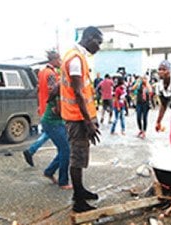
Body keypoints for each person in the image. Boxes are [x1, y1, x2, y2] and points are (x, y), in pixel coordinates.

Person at [60, 26, 103, 213]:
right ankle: (78, 200)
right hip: (77, 119)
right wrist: (88, 122)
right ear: (89, 38)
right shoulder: (76, 59)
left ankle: (81, 190)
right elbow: (77, 92)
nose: (99, 47)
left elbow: (84, 92)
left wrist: (92, 118)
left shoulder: (76, 55)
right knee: (77, 158)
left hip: (80, 117)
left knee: (81, 156)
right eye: (98, 42)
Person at [23, 50, 61, 167]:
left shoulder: (42, 72)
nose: (60, 62)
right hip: (50, 107)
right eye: (59, 59)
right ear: (54, 60)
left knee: (48, 133)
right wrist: (56, 106)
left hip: (43, 105)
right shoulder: (51, 73)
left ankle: (31, 151)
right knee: (54, 133)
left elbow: (39, 89)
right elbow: (52, 90)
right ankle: (31, 150)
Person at [41, 84, 72, 190]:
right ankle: (63, 182)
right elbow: (59, 112)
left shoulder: (59, 93)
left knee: (64, 150)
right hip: (53, 124)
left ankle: (49, 171)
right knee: (66, 150)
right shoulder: (60, 95)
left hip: (55, 123)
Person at [131, 74, 152, 139]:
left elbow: (150, 91)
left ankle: (144, 131)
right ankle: (140, 130)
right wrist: (138, 81)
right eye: (143, 79)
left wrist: (147, 83)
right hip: (139, 103)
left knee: (145, 118)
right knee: (138, 117)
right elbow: (133, 88)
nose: (143, 80)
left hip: (146, 104)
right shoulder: (139, 85)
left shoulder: (148, 86)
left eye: (145, 79)